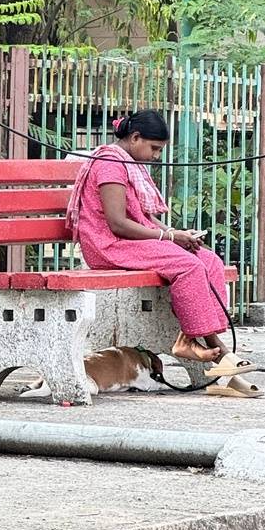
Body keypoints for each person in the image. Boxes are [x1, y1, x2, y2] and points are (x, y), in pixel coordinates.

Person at [67, 109, 236, 367]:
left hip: (131, 243)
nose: (156, 156)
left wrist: (176, 235)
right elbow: (118, 224)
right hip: (109, 245)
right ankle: (206, 346)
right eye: (154, 148)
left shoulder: (128, 163)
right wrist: (168, 236)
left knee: (208, 260)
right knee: (189, 265)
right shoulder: (110, 164)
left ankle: (203, 337)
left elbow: (142, 217)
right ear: (135, 137)